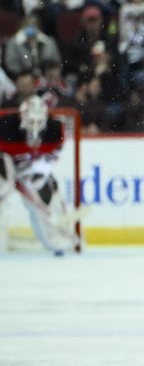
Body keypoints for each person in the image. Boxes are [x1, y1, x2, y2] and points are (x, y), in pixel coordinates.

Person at [0, 94, 78, 254]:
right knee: (2, 189)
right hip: (4, 162)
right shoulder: (4, 127)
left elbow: (51, 158)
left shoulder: (55, 130)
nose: (34, 126)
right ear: (21, 116)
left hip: (30, 168)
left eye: (38, 121)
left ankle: (58, 240)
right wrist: (9, 176)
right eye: (30, 121)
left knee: (45, 192)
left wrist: (38, 172)